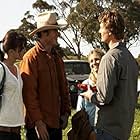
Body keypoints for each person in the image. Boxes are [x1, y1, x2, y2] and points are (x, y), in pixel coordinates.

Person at [81, 9, 139, 140]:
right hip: (124, 129)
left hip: (108, 130)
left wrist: (90, 95)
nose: (99, 31)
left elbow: (104, 98)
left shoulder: (109, 58)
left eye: (101, 27)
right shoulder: (130, 58)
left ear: (110, 30)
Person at [20, 11, 71, 140]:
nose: (58, 34)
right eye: (55, 31)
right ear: (44, 33)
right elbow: (29, 94)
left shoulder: (56, 58)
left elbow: (63, 87)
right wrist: (38, 122)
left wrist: (65, 112)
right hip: (39, 128)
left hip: (56, 124)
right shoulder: (31, 58)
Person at [0, 29, 27, 140]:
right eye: (21, 48)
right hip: (3, 127)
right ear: (11, 52)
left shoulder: (17, 68)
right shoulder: (1, 69)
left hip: (16, 126)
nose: (24, 50)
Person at [76, 48, 104, 128]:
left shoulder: (108, 83)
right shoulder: (85, 84)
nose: (94, 63)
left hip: (105, 129)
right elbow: (80, 108)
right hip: (89, 128)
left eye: (97, 59)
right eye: (91, 61)